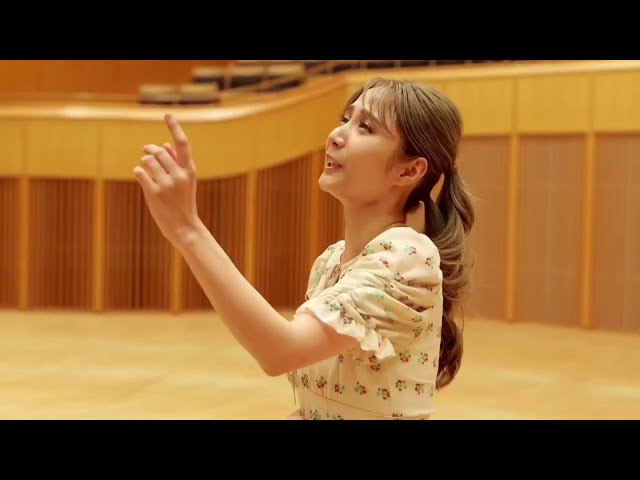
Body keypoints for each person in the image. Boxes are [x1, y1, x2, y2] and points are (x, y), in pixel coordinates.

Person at [133, 77, 475, 420]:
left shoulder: (408, 257)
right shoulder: (331, 262)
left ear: (410, 170)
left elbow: (280, 352)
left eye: (366, 127)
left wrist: (189, 231)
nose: (336, 135)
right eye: (346, 119)